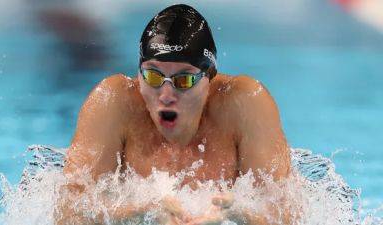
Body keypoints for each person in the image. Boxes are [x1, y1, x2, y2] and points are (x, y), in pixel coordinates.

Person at [57, 4, 292, 225]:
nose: (166, 94)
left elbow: (289, 215)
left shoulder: (245, 103)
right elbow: (67, 212)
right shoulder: (113, 102)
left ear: (209, 77)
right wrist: (139, 213)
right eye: (153, 77)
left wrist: (238, 215)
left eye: (184, 80)